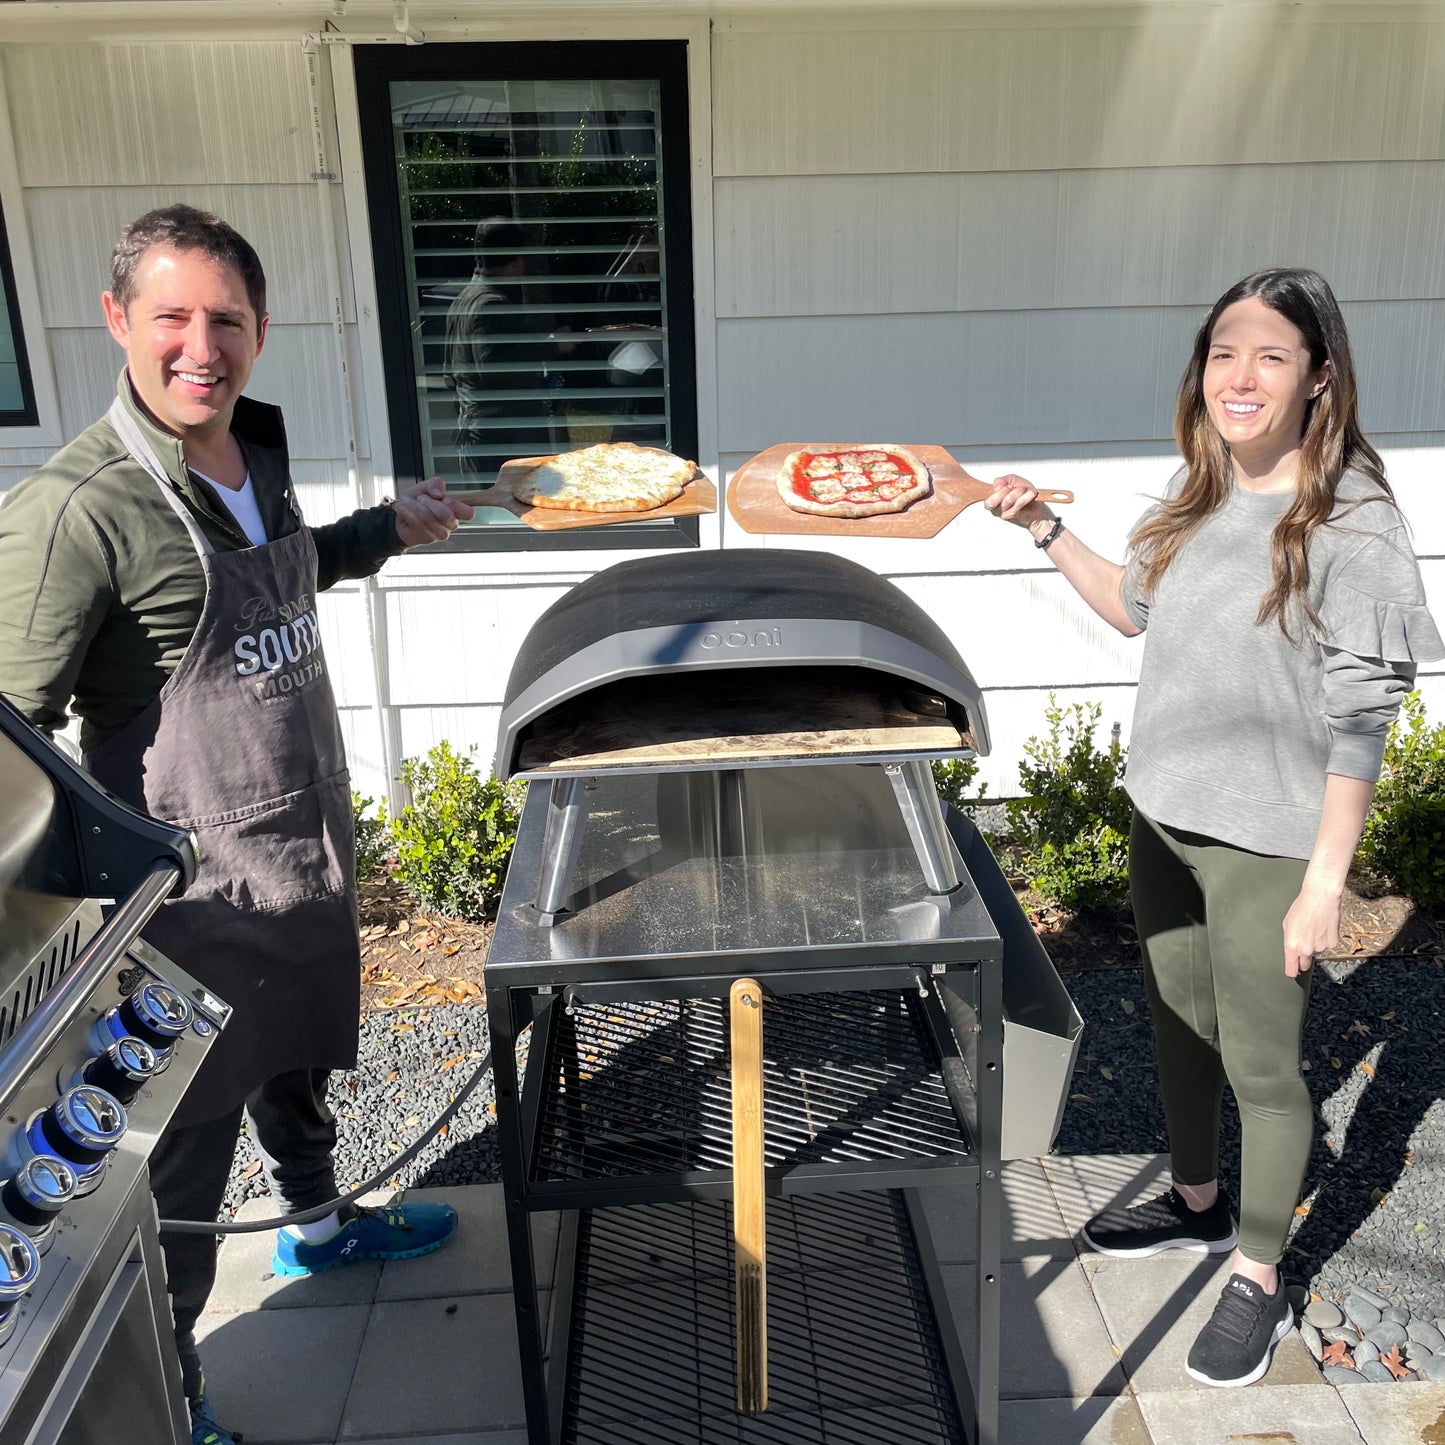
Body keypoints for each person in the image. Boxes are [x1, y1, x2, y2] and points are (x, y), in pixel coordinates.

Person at [0, 205, 474, 1445]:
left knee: (300, 1049)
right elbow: (7, 738)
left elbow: (290, 563)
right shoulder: (77, 510)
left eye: (226, 319)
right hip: (186, 896)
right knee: (183, 1164)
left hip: (298, 840)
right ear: (118, 321)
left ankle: (320, 1225)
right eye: (172, 316)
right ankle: (177, 1396)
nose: (199, 345)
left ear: (258, 332)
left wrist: (386, 529)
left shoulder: (249, 450)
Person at [984, 268, 1443, 1388]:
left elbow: (1358, 722)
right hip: (1162, 820)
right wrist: (1043, 524)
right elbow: (1129, 607)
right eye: (1222, 351)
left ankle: (1254, 1269)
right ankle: (1193, 1203)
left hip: (1264, 843)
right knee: (1176, 1025)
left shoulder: (1351, 519)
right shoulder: (1193, 492)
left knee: (1263, 1064)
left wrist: (1323, 881)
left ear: (1317, 377)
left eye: (1270, 354)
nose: (1239, 375)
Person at [442, 216, 559, 477]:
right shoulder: (491, 305)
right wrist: (553, 347)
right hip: (504, 437)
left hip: (477, 432)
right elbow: (498, 369)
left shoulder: (461, 301)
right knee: (517, 509)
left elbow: (450, 373)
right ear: (516, 258)